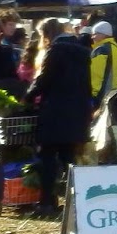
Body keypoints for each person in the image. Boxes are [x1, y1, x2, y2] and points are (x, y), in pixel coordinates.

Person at [26, 17, 93, 219]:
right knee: (69, 159)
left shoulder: (55, 51)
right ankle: (80, 201)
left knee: (48, 159)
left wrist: (26, 97)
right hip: (78, 112)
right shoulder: (82, 52)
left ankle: (47, 202)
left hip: (55, 112)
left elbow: (43, 81)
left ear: (47, 34)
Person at [88, 20, 117, 107]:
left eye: (95, 34)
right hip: (115, 95)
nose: (92, 37)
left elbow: (96, 75)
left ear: (103, 34)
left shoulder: (101, 50)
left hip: (101, 97)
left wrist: (92, 95)